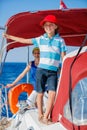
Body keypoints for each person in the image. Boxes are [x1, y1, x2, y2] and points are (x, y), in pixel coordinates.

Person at [3, 15, 67, 124]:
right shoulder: (40, 39)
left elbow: (64, 58)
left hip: (53, 71)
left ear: (55, 26)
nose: (48, 27)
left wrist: (65, 71)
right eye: (46, 25)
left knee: (52, 93)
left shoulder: (60, 41)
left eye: (51, 25)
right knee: (40, 93)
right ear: (44, 27)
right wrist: (10, 36)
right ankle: (40, 115)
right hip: (41, 70)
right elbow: (25, 40)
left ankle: (46, 117)